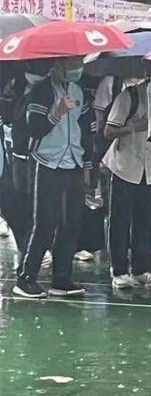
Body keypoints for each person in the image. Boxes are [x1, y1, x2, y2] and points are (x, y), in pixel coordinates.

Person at [13, 56, 94, 299]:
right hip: (47, 163)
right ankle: (26, 278)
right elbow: (34, 128)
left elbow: (87, 130)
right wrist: (56, 113)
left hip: (74, 163)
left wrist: (88, 165)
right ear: (58, 65)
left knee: (71, 223)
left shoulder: (79, 92)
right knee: (45, 223)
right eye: (72, 64)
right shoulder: (40, 92)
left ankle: (62, 279)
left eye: (80, 63)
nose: (76, 69)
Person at [103, 78, 151, 289]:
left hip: (150, 166)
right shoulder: (129, 97)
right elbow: (108, 131)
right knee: (120, 220)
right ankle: (118, 270)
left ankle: (140, 269)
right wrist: (133, 128)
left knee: (145, 220)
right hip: (125, 167)